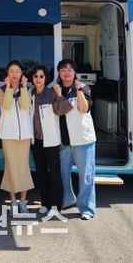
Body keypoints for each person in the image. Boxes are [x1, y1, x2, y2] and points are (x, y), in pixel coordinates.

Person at [53, 59, 96, 220]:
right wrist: (58, 95)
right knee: (63, 174)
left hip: (82, 140)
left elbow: (84, 109)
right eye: (63, 70)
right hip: (64, 141)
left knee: (85, 176)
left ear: (74, 73)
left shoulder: (83, 88)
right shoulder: (55, 89)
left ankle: (86, 208)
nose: (66, 73)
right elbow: (57, 111)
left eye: (69, 70)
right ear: (59, 73)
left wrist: (78, 90)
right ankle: (67, 200)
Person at [0, 60, 34, 214]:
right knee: (11, 168)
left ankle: (23, 202)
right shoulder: (1, 90)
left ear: (21, 74)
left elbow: (25, 106)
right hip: (8, 136)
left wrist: (24, 88)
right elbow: (6, 106)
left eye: (17, 71)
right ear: (7, 73)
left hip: (24, 136)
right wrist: (8, 88)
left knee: (24, 168)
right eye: (11, 71)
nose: (14, 74)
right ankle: (13, 202)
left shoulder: (27, 89)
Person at [29, 65, 62, 213]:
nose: (38, 79)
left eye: (41, 76)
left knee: (54, 173)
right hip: (36, 140)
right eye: (35, 76)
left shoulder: (51, 93)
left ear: (45, 78)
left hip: (51, 140)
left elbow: (60, 110)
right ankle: (45, 203)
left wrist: (59, 95)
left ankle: (57, 205)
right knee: (41, 173)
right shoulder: (30, 94)